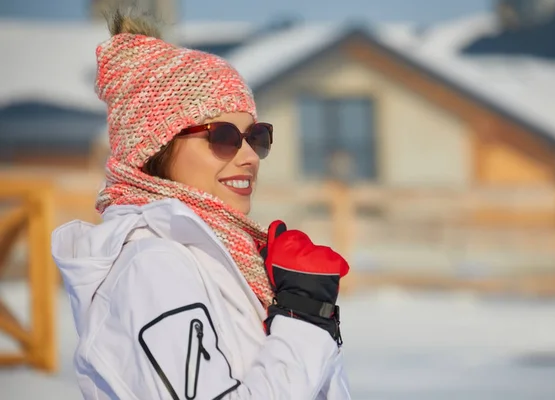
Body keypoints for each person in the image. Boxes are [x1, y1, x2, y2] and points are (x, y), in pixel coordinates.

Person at [51, 8, 351, 400]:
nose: (249, 156)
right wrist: (304, 321)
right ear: (153, 146)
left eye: (256, 136)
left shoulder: (226, 259)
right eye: (223, 137)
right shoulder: (152, 268)